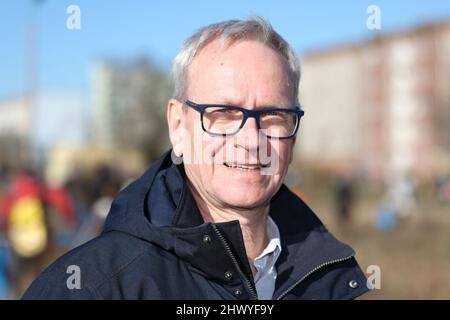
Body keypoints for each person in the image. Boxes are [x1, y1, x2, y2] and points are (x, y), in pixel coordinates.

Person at [23, 17, 369, 300]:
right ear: (178, 126)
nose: (250, 140)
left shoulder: (328, 279)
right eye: (223, 113)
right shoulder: (94, 288)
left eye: (273, 115)